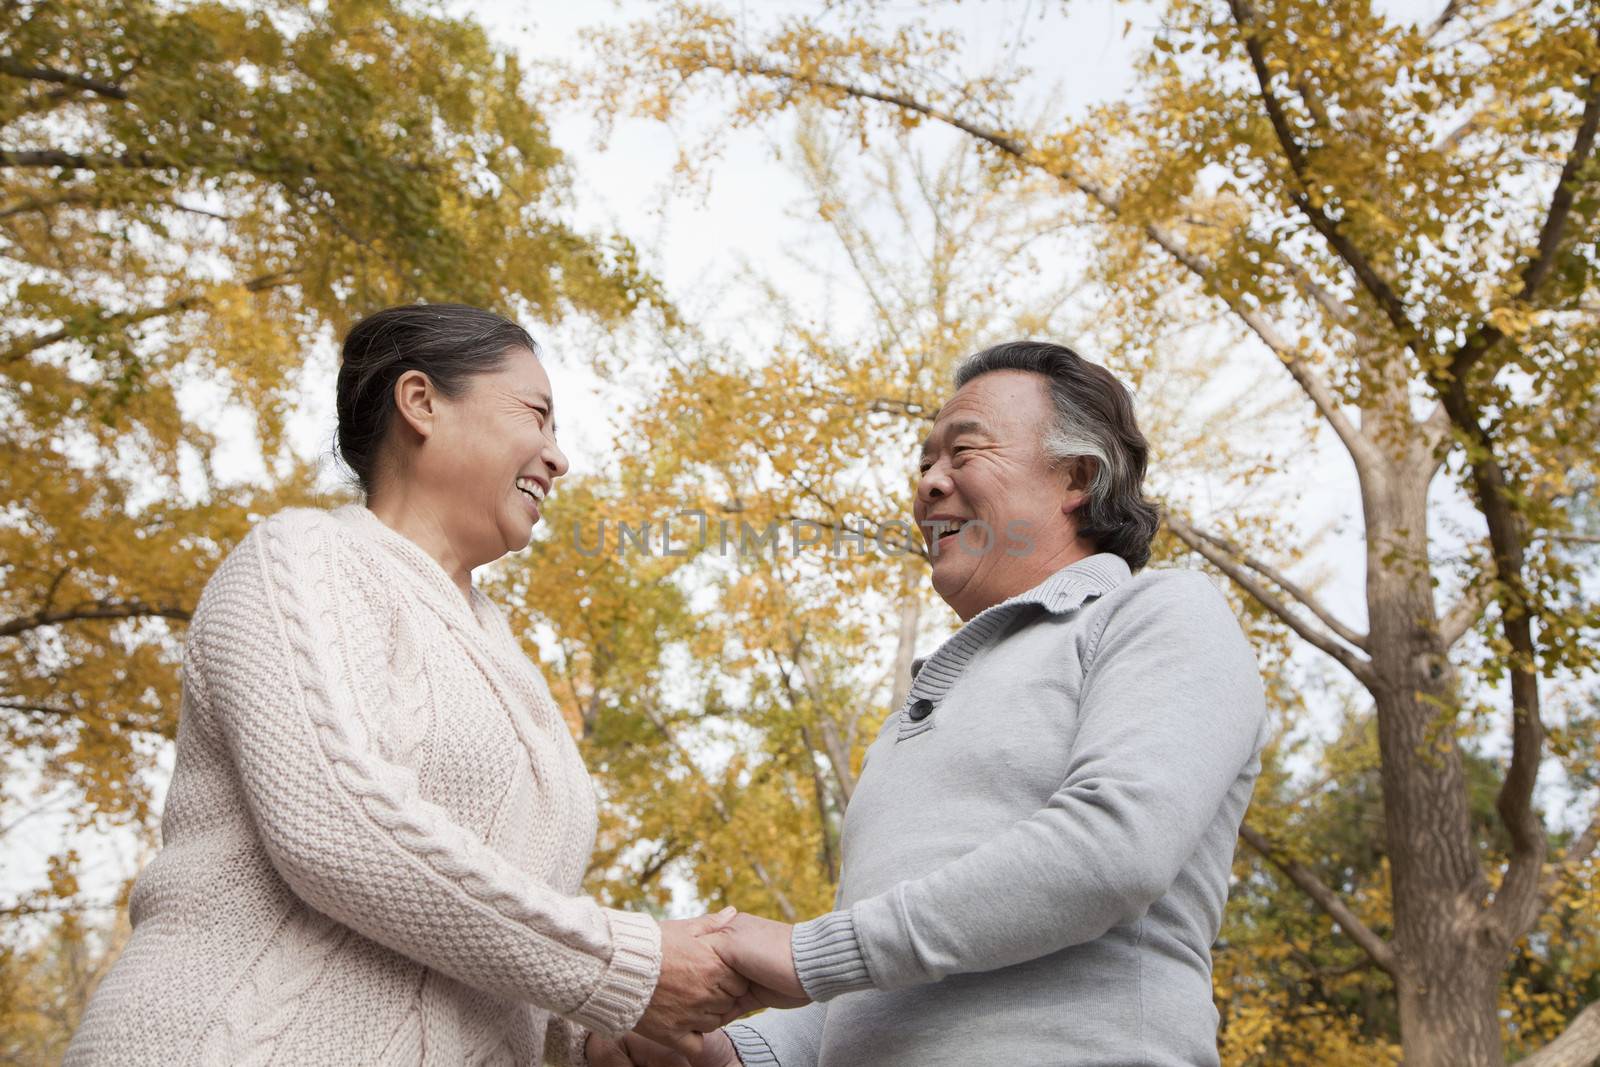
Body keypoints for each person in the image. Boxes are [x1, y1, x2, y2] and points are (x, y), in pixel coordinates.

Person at [66, 304, 755, 1066]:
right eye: (537, 414)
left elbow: (477, 926)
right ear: (421, 402)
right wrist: (623, 966)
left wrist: (595, 1032)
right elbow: (336, 820)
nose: (559, 458)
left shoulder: (507, 660)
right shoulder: (306, 560)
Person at [590, 340, 1270, 1067]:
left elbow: (1114, 848)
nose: (929, 486)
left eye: (963, 452)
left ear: (1077, 475)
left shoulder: (1160, 611)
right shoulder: (908, 719)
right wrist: (724, 1053)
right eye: (923, 464)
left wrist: (807, 948)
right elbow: (880, 975)